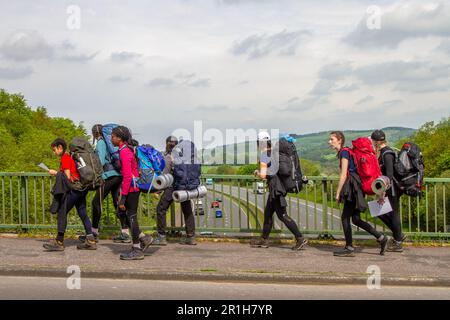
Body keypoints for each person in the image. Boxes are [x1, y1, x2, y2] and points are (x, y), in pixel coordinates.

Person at [329, 131, 389, 257]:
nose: (330, 142)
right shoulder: (348, 151)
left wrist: (338, 193)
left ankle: (349, 247)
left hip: (352, 186)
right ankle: (381, 238)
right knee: (355, 219)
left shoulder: (344, 152)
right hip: (357, 185)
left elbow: (344, 174)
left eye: (332, 139)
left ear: (340, 140)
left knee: (345, 217)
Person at [250, 132, 308, 250]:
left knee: (282, 215)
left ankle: (300, 238)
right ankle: (264, 240)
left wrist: (257, 173)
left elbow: (263, 175)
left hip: (276, 189)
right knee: (267, 215)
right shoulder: (275, 153)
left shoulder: (264, 155)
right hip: (277, 188)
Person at [78, 124, 131, 244]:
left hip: (108, 176)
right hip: (118, 175)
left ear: (95, 134)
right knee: (117, 203)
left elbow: (101, 161)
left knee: (96, 202)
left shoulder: (101, 142)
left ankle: (94, 233)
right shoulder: (109, 143)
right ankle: (125, 233)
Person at [43, 138, 97, 251]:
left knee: (62, 212)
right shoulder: (70, 157)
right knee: (83, 213)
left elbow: (67, 177)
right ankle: (91, 240)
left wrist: (56, 173)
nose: (54, 152)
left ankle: (59, 242)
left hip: (74, 189)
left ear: (60, 147)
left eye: (54, 150)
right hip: (81, 188)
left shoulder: (65, 158)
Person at [111, 126, 153, 260]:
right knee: (127, 215)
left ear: (119, 138)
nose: (111, 138)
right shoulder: (126, 149)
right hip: (133, 188)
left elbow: (128, 176)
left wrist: (123, 197)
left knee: (131, 217)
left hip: (131, 189)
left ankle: (137, 249)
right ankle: (143, 238)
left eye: (113, 136)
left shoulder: (124, 152)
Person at [371, 130, 406, 252]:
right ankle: (399, 235)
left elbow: (389, 176)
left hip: (392, 189)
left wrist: (382, 193)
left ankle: (398, 242)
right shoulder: (385, 153)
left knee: (394, 214)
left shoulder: (387, 154)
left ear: (378, 141)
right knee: (378, 210)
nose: (372, 143)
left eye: (373, 141)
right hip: (390, 188)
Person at [152, 136, 178, 246]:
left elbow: (165, 175)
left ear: (167, 143)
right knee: (187, 209)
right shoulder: (182, 155)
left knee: (161, 209)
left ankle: (161, 237)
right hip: (184, 185)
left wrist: (158, 190)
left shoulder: (168, 156)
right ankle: (191, 236)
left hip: (172, 186)